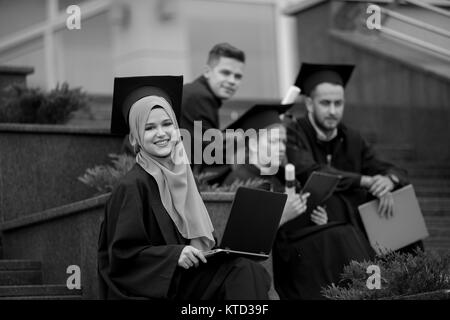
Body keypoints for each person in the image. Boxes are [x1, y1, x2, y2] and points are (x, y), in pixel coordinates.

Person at [98, 75, 271, 300]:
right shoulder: (132, 186)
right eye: (149, 128)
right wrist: (174, 256)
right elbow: (121, 257)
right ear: (135, 138)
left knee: (249, 268)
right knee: (241, 272)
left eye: (167, 124)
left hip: (187, 277)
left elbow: (200, 239)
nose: (161, 133)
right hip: (159, 283)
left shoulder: (183, 176)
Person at [222, 104, 374, 300]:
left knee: (343, 230)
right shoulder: (240, 180)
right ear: (252, 144)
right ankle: (370, 290)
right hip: (278, 261)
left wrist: (312, 219)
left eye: (283, 142)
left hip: (292, 248)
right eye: (274, 141)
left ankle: (373, 289)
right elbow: (242, 241)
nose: (281, 148)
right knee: (340, 235)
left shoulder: (276, 177)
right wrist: (284, 215)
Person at [284, 62, 423, 254]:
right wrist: (365, 181)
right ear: (309, 103)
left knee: (398, 196)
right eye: (325, 103)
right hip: (312, 226)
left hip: (356, 222)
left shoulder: (351, 137)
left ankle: (413, 274)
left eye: (338, 103)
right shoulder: (293, 133)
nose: (333, 111)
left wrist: (388, 181)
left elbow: (392, 169)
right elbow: (313, 171)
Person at [179, 43, 246, 184]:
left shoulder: (196, 93)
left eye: (238, 76)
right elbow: (208, 154)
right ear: (207, 71)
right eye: (225, 73)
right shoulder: (200, 97)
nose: (232, 81)